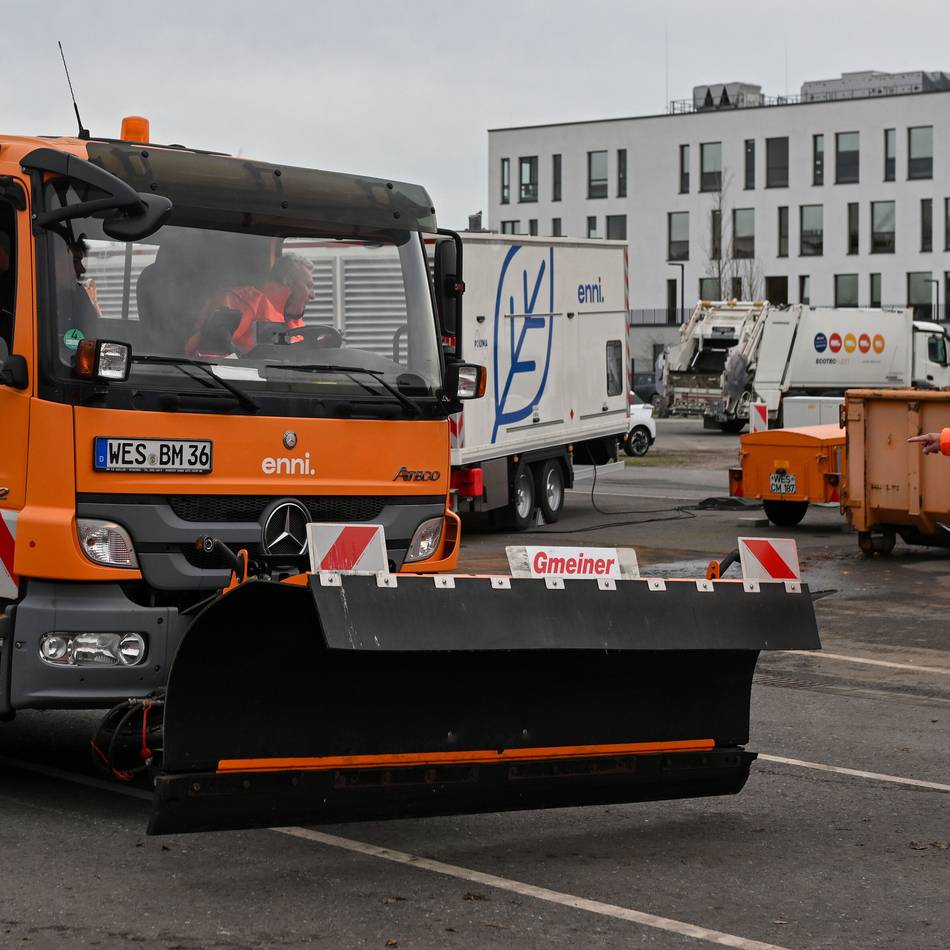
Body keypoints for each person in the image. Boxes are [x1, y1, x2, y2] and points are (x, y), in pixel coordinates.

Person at [187, 253, 313, 356]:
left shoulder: (292, 321)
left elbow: (296, 361)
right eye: (309, 286)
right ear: (288, 281)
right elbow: (211, 355)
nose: (313, 295)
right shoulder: (239, 303)